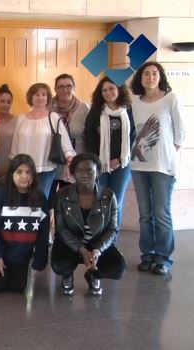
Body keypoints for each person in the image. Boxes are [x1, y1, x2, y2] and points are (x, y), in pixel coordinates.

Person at [129, 62, 187, 275]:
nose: (150, 77)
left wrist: (168, 154)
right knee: (145, 214)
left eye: (155, 74)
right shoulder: (136, 102)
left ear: (160, 77)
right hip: (139, 165)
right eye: (146, 73)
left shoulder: (171, 98)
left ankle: (163, 257)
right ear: (140, 78)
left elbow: (181, 133)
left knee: (161, 213)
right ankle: (148, 254)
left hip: (163, 166)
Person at [51, 153, 126, 296]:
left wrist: (97, 250)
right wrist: (81, 250)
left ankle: (93, 275)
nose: (85, 175)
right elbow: (60, 229)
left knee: (118, 269)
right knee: (59, 265)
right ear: (73, 173)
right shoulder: (62, 196)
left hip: (97, 243)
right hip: (71, 243)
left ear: (97, 172)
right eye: (80, 171)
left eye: (89, 171)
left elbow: (112, 229)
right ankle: (67, 275)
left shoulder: (109, 196)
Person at [0, 154, 49, 293]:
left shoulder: (40, 197)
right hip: (1, 256)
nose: (24, 176)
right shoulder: (0, 195)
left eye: (28, 172)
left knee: (17, 288)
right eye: (19, 172)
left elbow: (43, 232)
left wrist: (38, 263)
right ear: (12, 174)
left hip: (22, 257)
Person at [83, 77, 136, 231]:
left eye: (111, 88)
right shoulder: (95, 112)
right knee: (99, 203)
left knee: (116, 202)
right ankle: (99, 240)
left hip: (122, 165)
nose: (108, 92)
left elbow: (133, 136)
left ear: (119, 89)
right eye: (104, 90)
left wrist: (119, 160)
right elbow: (89, 138)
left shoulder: (128, 110)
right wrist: (100, 162)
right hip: (100, 165)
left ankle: (112, 242)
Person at [10, 83, 75, 200]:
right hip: (24, 169)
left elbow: (65, 142)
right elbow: (16, 143)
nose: (40, 97)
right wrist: (14, 163)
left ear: (48, 98)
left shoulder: (53, 117)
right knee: (23, 200)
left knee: (40, 201)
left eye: (43, 95)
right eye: (36, 94)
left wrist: (70, 158)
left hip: (46, 169)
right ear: (31, 98)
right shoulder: (21, 118)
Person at [50, 74, 90, 193]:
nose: (65, 90)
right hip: (52, 162)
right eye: (61, 87)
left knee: (69, 200)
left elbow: (89, 136)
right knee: (48, 200)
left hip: (75, 162)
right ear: (55, 89)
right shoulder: (48, 108)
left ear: (74, 88)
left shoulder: (83, 108)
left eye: (69, 86)